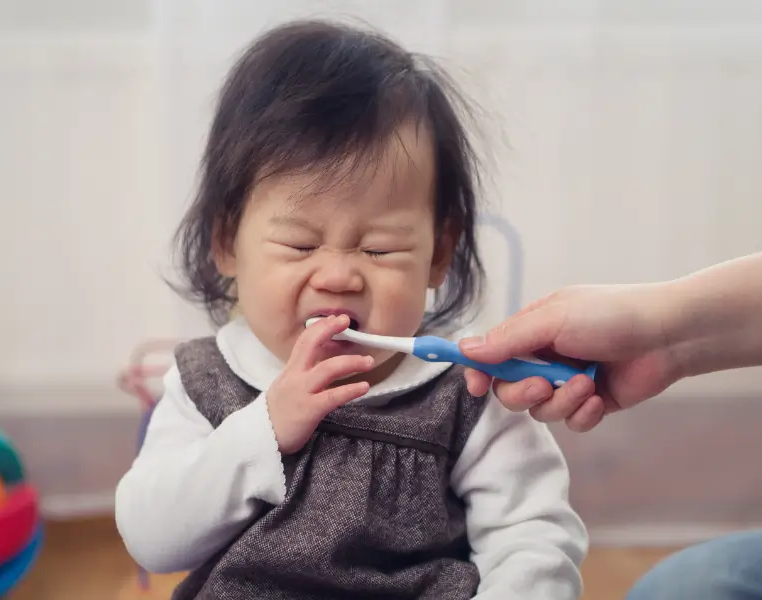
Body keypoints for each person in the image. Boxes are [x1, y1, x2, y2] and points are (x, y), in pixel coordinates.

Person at [114, 19, 587, 599]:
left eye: (379, 248)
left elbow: (533, 536)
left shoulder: (469, 388)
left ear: (438, 254)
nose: (338, 275)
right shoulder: (205, 384)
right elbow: (151, 538)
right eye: (299, 245)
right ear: (226, 242)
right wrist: (261, 432)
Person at [456, 221, 762, 599]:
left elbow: (530, 540)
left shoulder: (467, 410)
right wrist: (664, 335)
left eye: (390, 250)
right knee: (685, 588)